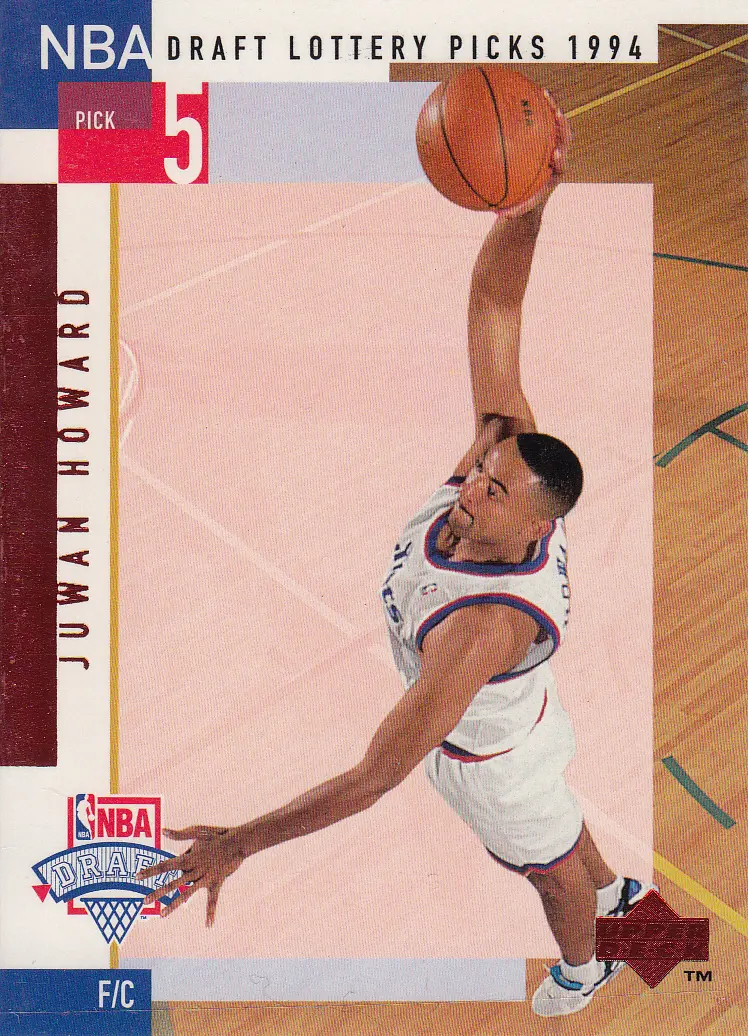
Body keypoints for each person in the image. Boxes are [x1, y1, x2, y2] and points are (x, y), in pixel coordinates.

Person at [140, 95, 650, 1017]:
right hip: (525, 723)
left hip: (490, 760)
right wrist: (528, 207)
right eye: (483, 471)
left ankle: (589, 965)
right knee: (563, 832)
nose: (472, 484)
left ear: (533, 531)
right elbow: (498, 303)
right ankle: (626, 907)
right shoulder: (507, 458)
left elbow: (375, 777)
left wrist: (239, 844)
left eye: (494, 491)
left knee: (548, 871)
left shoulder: (483, 627)